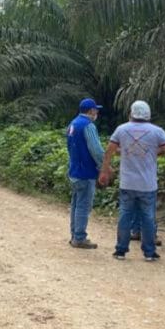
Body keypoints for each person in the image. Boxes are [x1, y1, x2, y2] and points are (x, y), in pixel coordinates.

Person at [99, 100, 165, 261]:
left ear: (131, 113)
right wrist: (154, 151)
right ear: (148, 114)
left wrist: (104, 171)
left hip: (127, 183)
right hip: (147, 184)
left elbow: (109, 151)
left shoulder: (121, 129)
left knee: (125, 216)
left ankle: (120, 250)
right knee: (148, 218)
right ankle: (149, 253)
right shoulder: (157, 131)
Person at [66, 98, 105, 249]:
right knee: (83, 206)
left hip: (74, 170)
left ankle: (74, 235)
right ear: (91, 111)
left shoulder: (73, 124)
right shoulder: (88, 126)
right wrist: (104, 166)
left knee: (76, 204)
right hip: (86, 171)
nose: (97, 113)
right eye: (96, 110)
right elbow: (96, 150)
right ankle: (80, 238)